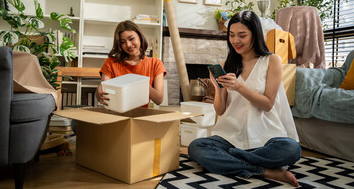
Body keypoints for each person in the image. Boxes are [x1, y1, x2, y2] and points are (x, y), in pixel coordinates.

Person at [188, 10, 301, 187]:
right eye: (232, 35)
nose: (235, 41)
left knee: (291, 150)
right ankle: (266, 172)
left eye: (242, 35)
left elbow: (268, 104)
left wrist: (239, 87)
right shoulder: (227, 65)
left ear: (255, 35)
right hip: (230, 135)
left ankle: (229, 160)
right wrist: (218, 88)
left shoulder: (272, 61)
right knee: (196, 147)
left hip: (266, 135)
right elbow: (220, 110)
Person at [96, 20, 166, 107]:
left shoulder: (155, 64)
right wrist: (99, 92)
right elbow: (103, 91)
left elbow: (159, 100)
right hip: (116, 114)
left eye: (131, 39)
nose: (128, 45)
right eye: (122, 42)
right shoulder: (110, 62)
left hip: (140, 116)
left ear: (140, 37)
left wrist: (142, 85)